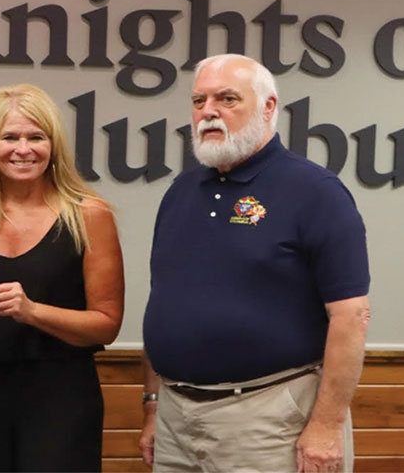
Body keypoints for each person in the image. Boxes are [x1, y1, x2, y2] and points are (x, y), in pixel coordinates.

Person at [139, 54, 371, 473]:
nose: (209, 111)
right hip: (176, 420)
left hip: (269, 418)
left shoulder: (315, 191)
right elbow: (163, 303)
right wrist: (154, 406)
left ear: (268, 107)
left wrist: (326, 425)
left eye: (227, 98)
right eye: (199, 101)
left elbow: (351, 316)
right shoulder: (180, 191)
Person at [0, 83, 125, 472]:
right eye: (10, 137)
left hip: (61, 400)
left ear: (54, 145)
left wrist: (30, 311)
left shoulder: (89, 216)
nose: (23, 149)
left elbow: (106, 326)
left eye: (36, 137)